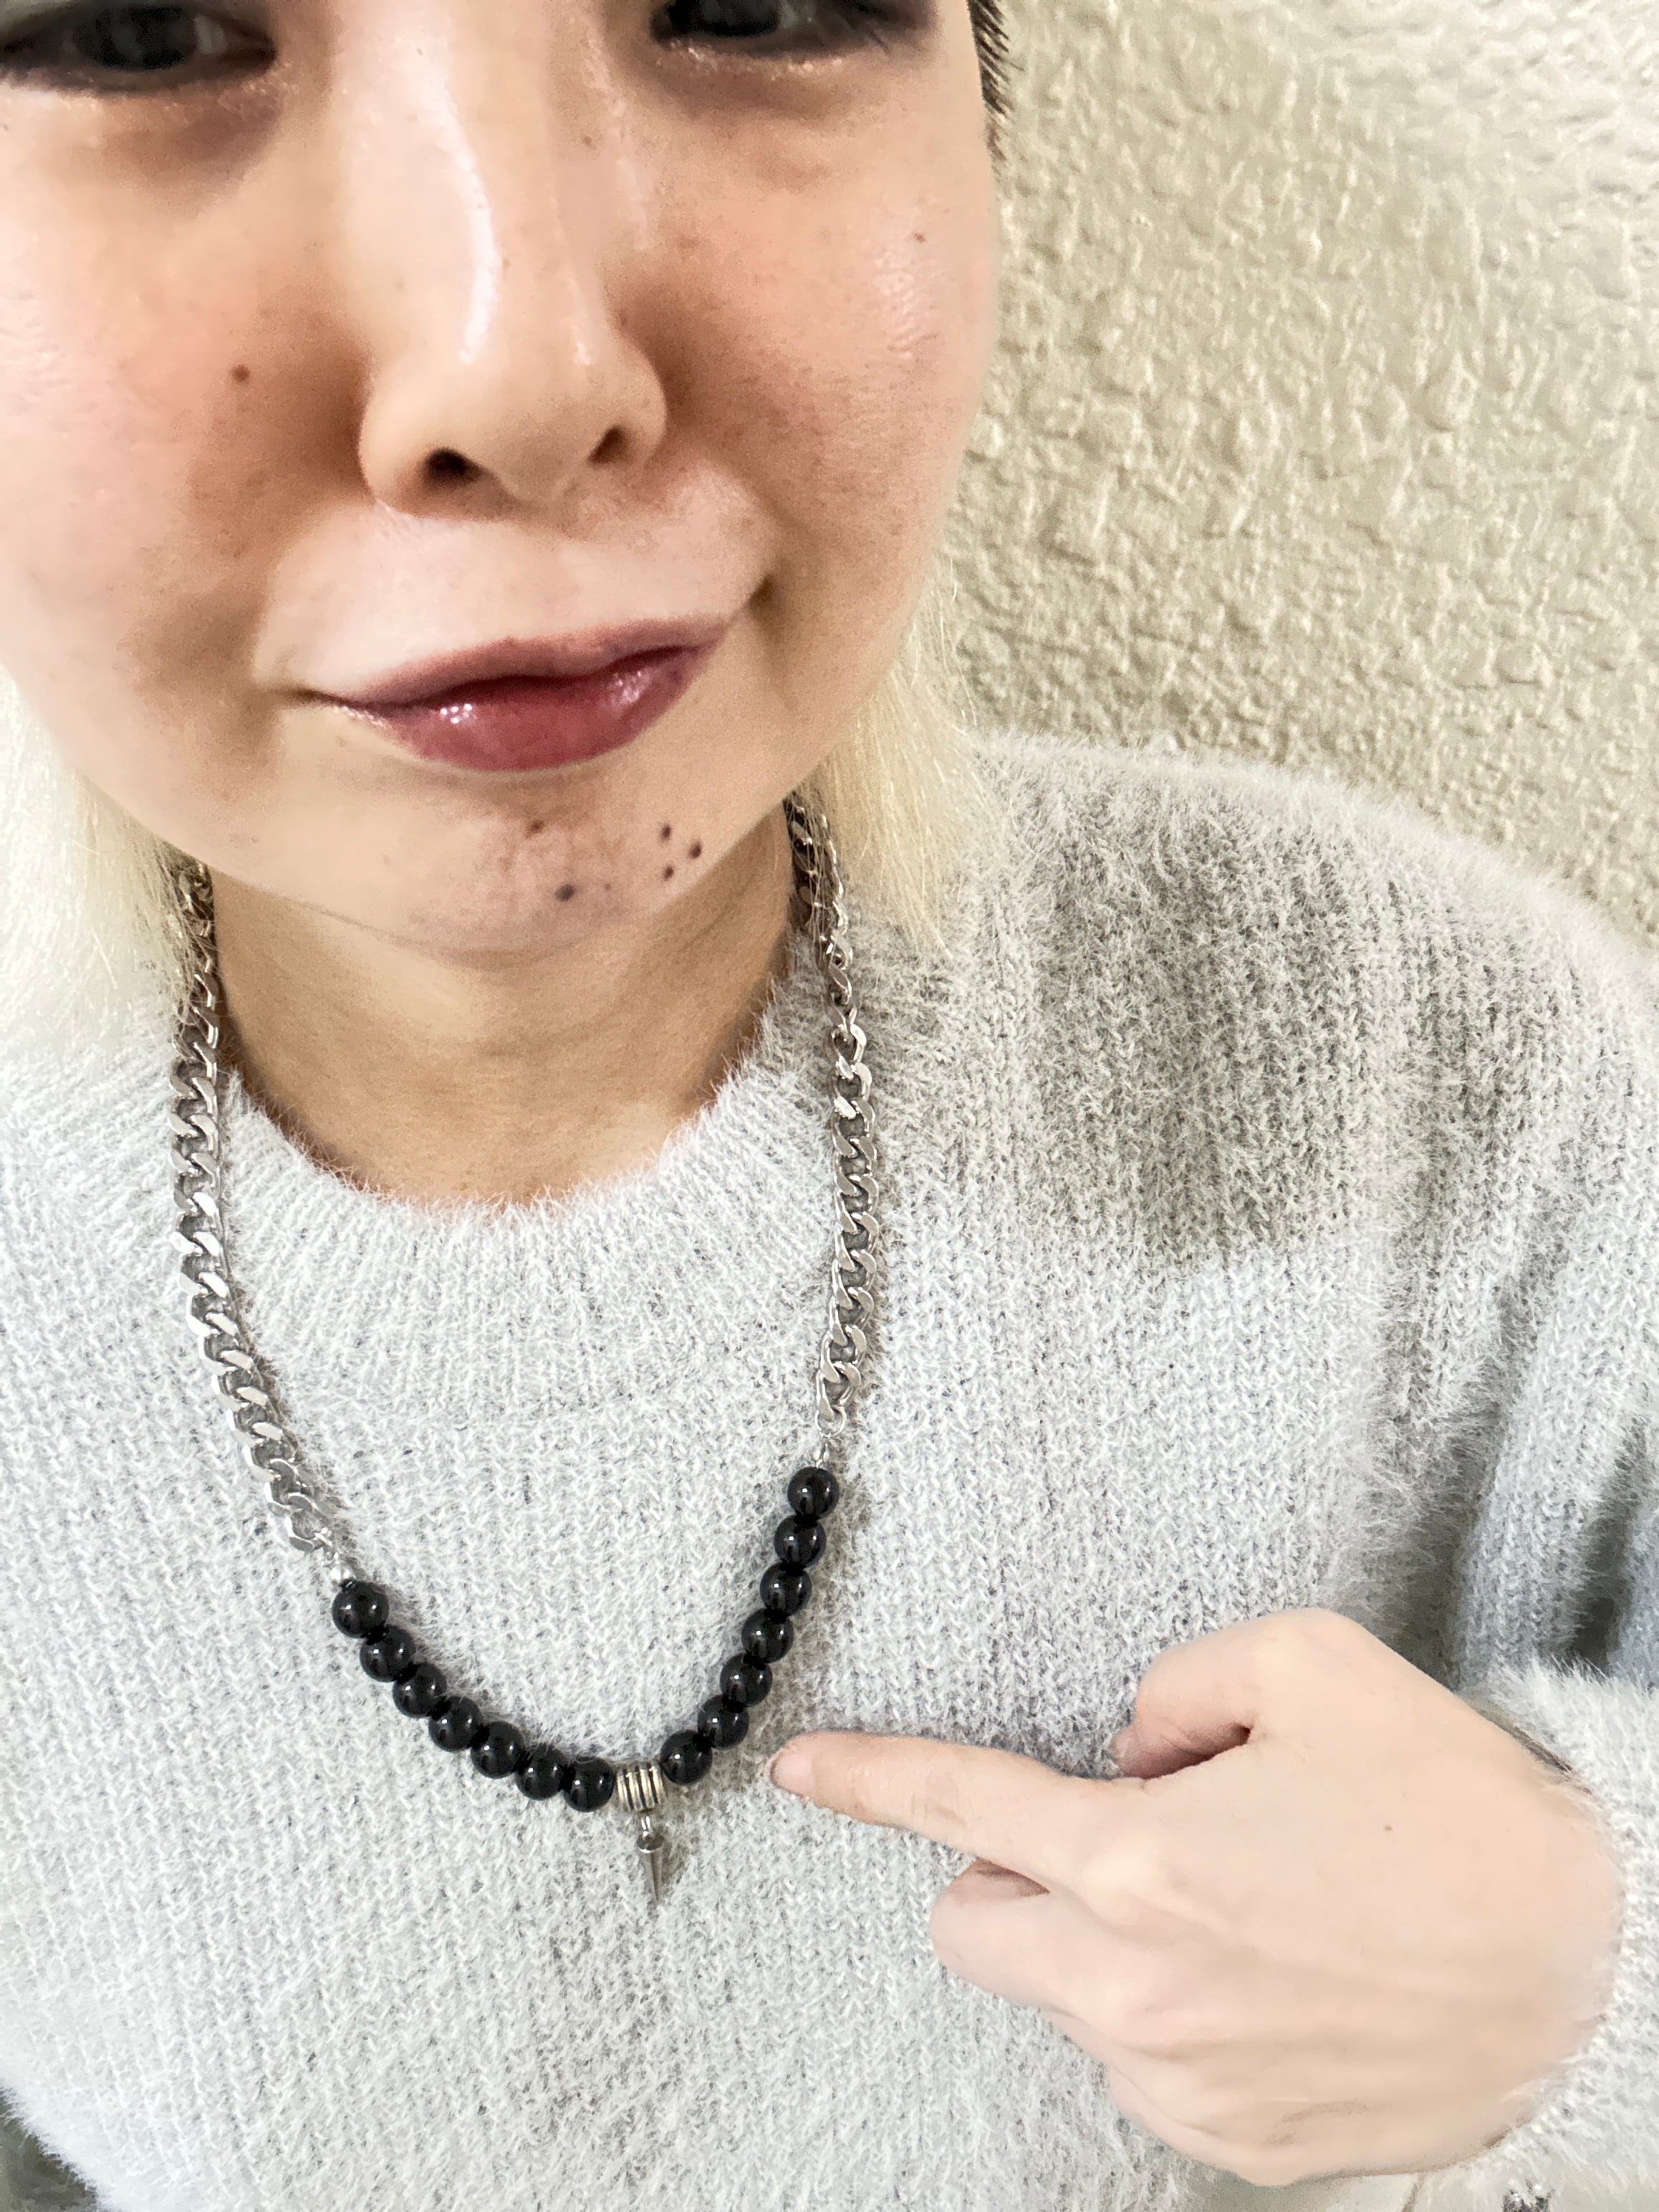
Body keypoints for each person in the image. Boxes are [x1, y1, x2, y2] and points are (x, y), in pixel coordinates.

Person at [0, 4, 1655, 2209]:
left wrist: (1596, 1973)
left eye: (754, 4)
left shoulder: (1438, 1069)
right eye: (134, 35)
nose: (522, 379)